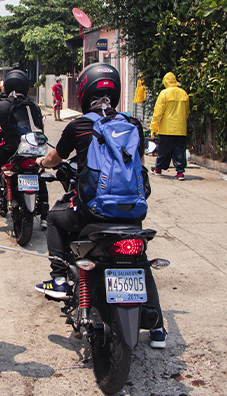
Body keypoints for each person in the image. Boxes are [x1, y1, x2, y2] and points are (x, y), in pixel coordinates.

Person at [33, 62, 167, 349]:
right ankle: (158, 330)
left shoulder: (79, 125)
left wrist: (41, 163)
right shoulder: (132, 124)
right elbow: (140, 170)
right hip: (132, 212)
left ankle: (58, 278)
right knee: (140, 259)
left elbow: (55, 158)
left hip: (92, 210)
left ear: (84, 91)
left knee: (55, 218)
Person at [0, 70, 49, 227]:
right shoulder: (34, 106)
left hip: (12, 151)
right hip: (34, 151)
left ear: (7, 85)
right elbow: (40, 127)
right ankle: (44, 216)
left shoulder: (0, 106)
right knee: (39, 172)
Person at [149, 72, 190, 181]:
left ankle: (158, 169)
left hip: (167, 128)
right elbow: (186, 112)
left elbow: (158, 112)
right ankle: (180, 172)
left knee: (164, 150)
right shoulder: (183, 93)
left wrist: (153, 127)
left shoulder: (164, 94)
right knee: (180, 150)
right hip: (181, 128)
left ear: (165, 81)